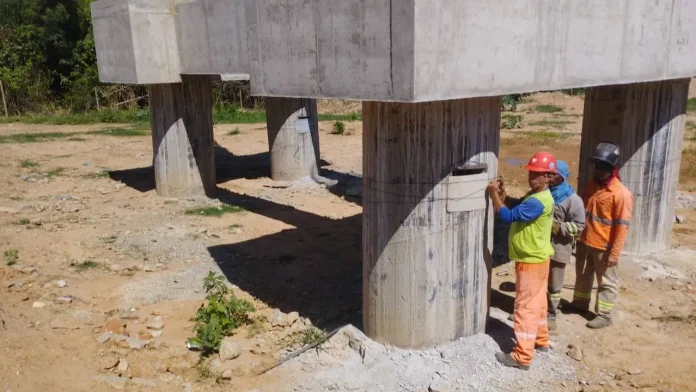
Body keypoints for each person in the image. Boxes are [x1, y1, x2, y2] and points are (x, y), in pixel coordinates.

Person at [487, 151, 557, 370]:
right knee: (538, 302)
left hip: (530, 260)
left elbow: (507, 216)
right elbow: (516, 206)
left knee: (525, 306)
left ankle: (521, 356)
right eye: (531, 172)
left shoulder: (538, 201)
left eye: (537, 174)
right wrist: (503, 194)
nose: (531, 177)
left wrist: (493, 195)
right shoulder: (537, 196)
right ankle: (541, 340)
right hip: (539, 258)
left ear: (548, 176)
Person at [571, 141, 633, 329]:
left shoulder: (621, 195)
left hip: (603, 246)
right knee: (583, 275)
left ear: (612, 169)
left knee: (606, 282)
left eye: (603, 168)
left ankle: (604, 315)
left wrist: (614, 254)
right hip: (585, 241)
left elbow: (622, 227)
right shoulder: (591, 186)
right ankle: (580, 304)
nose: (598, 171)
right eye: (597, 167)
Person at [546, 160, 585, 331]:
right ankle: (535, 312)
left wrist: (557, 227)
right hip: (540, 246)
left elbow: (579, 226)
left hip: (559, 249)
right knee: (539, 282)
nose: (550, 177)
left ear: (562, 177)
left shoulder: (573, 200)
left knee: (554, 284)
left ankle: (551, 314)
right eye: (549, 173)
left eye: (554, 174)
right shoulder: (544, 193)